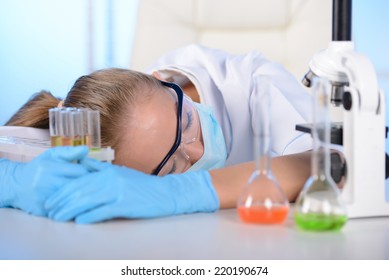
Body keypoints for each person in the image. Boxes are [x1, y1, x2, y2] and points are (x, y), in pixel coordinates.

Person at [2, 44, 330, 223]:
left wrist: (180, 190)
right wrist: (14, 182)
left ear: (161, 78)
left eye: (188, 123)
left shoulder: (252, 82)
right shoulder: (105, 142)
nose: (198, 152)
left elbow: (333, 165)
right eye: (173, 167)